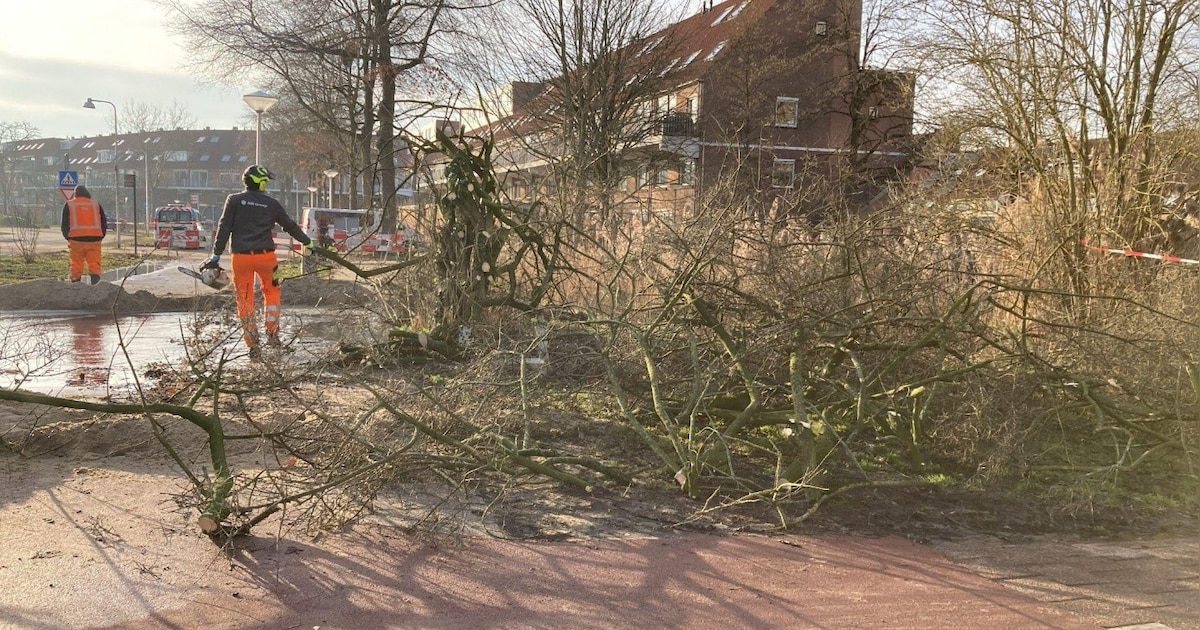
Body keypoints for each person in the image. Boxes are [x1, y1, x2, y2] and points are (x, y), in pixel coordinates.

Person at [204, 165, 316, 359]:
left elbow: (224, 228)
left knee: (244, 299)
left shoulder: (234, 200)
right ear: (261, 182)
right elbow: (289, 225)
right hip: (267, 258)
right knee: (273, 292)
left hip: (240, 258)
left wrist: (215, 255)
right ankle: (272, 334)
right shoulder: (272, 204)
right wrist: (309, 243)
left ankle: (252, 345)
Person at [61, 184, 109, 284]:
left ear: (75, 194)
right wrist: (101, 235)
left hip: (75, 239)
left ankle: (76, 287)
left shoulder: (70, 205)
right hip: (94, 239)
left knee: (76, 265)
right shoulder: (96, 204)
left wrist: (68, 236)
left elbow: (65, 224)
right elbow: (103, 222)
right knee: (94, 265)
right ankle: (95, 286)